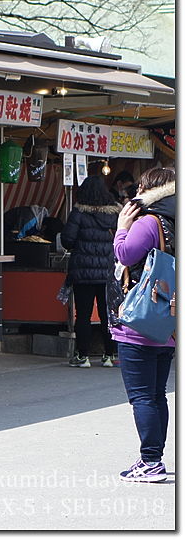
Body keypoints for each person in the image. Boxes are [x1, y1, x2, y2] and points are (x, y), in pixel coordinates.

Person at [111, 166, 175, 483]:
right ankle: (155, 457)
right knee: (157, 394)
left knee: (143, 398)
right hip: (170, 323)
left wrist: (122, 227)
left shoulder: (151, 223)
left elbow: (125, 252)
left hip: (140, 323)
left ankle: (150, 462)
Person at [61, 176, 120, 368]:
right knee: (108, 314)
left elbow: (67, 241)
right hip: (108, 273)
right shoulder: (115, 214)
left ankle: (83, 356)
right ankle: (109, 355)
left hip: (83, 272)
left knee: (83, 315)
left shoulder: (78, 213)